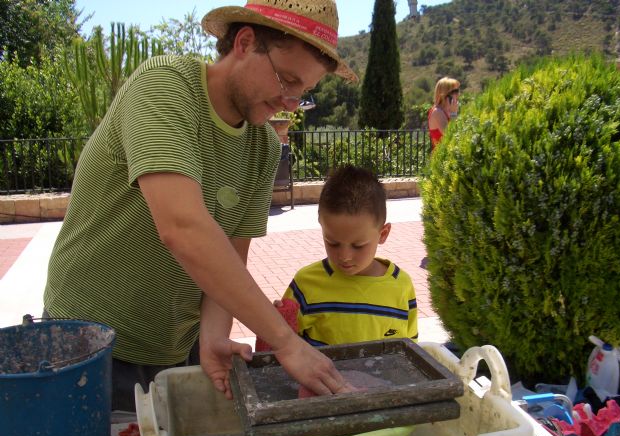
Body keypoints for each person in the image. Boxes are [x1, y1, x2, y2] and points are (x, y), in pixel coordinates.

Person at [43, 0, 358, 412]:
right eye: (287, 80)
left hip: (177, 349)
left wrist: (213, 334)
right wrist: (286, 343)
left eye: (302, 92)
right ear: (245, 42)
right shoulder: (165, 86)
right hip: (86, 344)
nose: (290, 102)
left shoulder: (263, 146)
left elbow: (230, 257)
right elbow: (182, 227)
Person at [279, 165, 419, 346]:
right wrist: (278, 320)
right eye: (333, 243)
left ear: (382, 234)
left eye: (358, 245)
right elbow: (283, 342)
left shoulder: (401, 286)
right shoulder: (306, 283)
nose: (344, 256)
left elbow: (410, 348)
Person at [426, 76, 460, 149]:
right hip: (440, 158)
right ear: (444, 94)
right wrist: (454, 114)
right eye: (455, 91)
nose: (458, 94)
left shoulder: (447, 111)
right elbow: (450, 136)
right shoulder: (437, 112)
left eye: (458, 91)